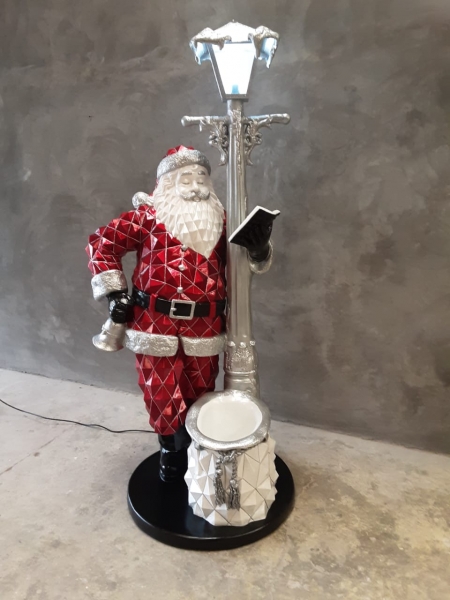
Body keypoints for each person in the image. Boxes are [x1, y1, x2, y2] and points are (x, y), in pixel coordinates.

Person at [86, 145, 272, 481]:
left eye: (202, 177)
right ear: (168, 183)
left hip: (205, 324)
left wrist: (259, 249)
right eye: (186, 179)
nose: (196, 185)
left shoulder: (222, 220)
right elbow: (102, 244)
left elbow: (245, 264)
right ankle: (171, 449)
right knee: (160, 391)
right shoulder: (146, 218)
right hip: (154, 323)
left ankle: (198, 448)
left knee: (201, 391)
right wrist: (115, 294)